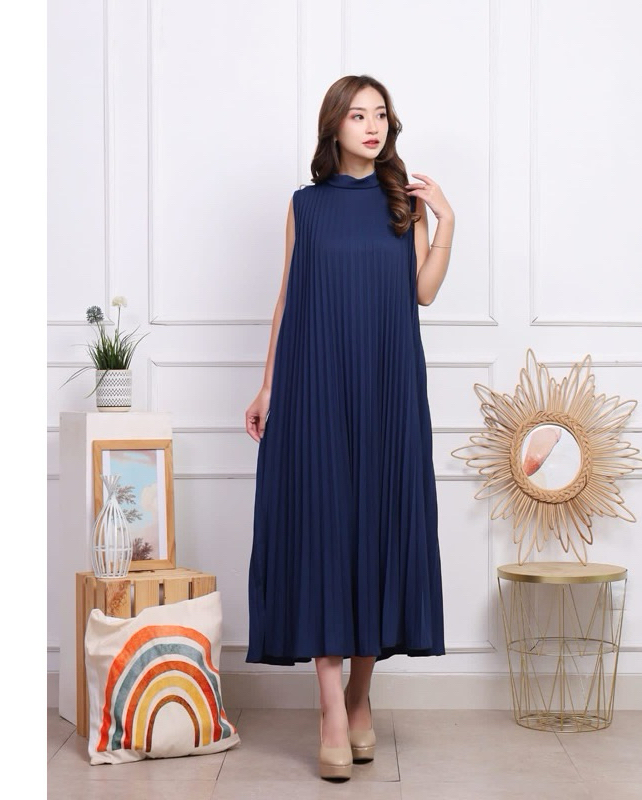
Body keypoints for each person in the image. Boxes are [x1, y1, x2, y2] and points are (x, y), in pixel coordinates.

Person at [244, 75, 455, 781]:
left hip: (388, 389)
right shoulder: (304, 206)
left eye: (381, 114)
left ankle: (362, 695)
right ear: (334, 125)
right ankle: (332, 709)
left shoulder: (404, 203)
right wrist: (269, 386)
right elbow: (287, 298)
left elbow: (422, 291)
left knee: (377, 532)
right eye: (358, 114)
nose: (372, 125)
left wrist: (445, 225)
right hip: (315, 386)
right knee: (325, 533)